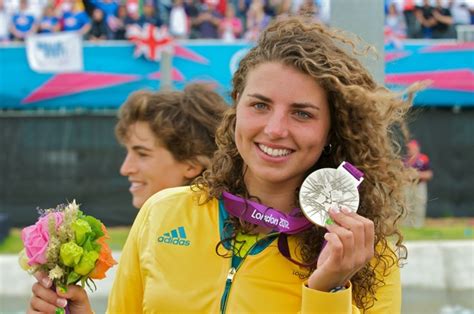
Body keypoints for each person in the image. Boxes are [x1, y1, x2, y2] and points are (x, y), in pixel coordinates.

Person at [29, 17, 415, 313]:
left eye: (302, 113)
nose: (275, 129)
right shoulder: (163, 213)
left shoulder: (362, 252)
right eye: (259, 105)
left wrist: (328, 288)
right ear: (236, 113)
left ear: (333, 130)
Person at [27, 83, 228, 313]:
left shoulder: (229, 237)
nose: (125, 168)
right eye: (128, 152)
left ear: (192, 163)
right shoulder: (151, 228)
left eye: (142, 153)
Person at [403, 139, 433, 229]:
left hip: (419, 185)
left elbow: (429, 174)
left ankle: (418, 226)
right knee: (406, 205)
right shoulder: (404, 159)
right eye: (408, 148)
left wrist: (417, 175)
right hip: (407, 185)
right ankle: (405, 226)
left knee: (419, 205)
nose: (410, 150)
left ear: (417, 148)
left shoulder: (423, 158)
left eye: (412, 148)